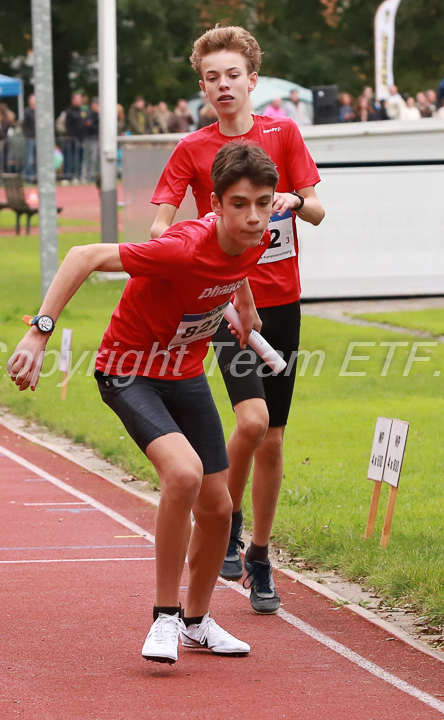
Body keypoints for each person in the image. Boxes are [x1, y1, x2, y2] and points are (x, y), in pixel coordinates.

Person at [7, 141, 279, 665]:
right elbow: (82, 256)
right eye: (240, 205)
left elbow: (237, 267)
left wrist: (243, 304)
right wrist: (39, 334)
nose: (253, 216)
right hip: (129, 371)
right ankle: (164, 617)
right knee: (183, 475)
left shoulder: (257, 235)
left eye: (263, 203)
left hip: (185, 371)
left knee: (220, 505)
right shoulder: (180, 246)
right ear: (215, 206)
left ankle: (197, 623)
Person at [151, 25, 325, 615]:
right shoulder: (192, 149)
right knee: (249, 422)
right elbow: (159, 225)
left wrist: (293, 202)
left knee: (274, 437)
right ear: (201, 85)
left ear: (253, 80)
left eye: (233, 75)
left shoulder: (284, 133)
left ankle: (258, 553)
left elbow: (319, 207)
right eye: (211, 78)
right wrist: (187, 243)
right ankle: (223, 514)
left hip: (283, 298)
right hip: (224, 300)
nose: (223, 86)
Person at [64, 92, 87, 182]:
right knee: (72, 158)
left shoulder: (83, 111)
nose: (79, 101)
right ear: (73, 100)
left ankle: (80, 175)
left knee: (81, 158)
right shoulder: (69, 111)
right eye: (77, 99)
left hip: (82, 138)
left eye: (80, 99)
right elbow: (68, 125)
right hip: (72, 139)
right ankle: (71, 176)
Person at [83, 97, 99, 182]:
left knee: (98, 158)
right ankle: (89, 175)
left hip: (99, 138)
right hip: (91, 138)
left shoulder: (101, 114)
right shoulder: (88, 113)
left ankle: (96, 175)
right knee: (91, 158)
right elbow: (88, 125)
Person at [22, 94, 37, 183]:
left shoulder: (39, 112)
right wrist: (27, 135)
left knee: (37, 159)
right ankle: (29, 178)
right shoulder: (27, 112)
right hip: (30, 138)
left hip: (37, 138)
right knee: (29, 159)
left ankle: (36, 177)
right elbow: (24, 125)